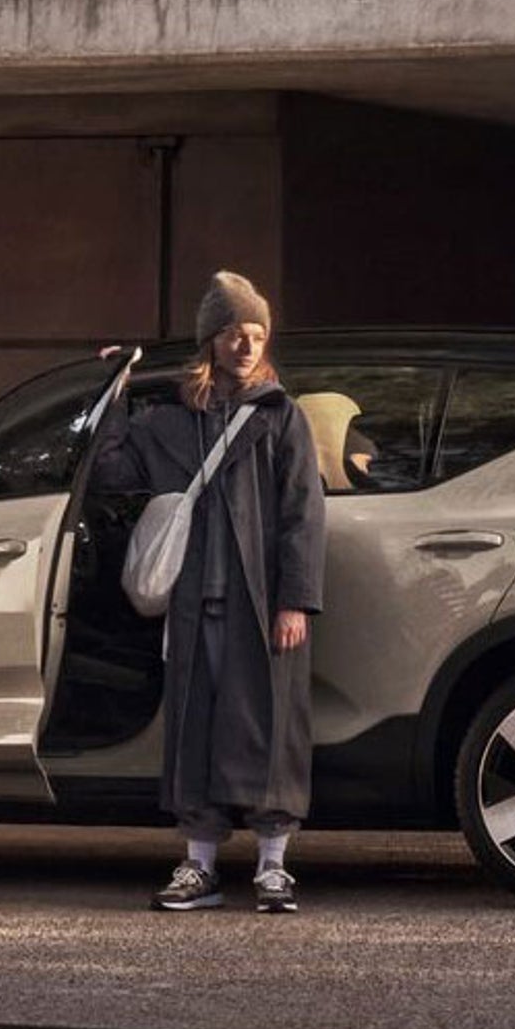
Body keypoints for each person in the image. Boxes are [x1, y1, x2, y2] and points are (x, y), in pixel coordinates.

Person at [91, 271, 325, 911]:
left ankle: (274, 865)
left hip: (265, 606)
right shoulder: (171, 424)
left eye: (255, 334)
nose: (246, 345)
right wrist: (113, 393)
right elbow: (112, 470)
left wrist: (296, 599)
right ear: (211, 342)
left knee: (270, 730)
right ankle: (198, 865)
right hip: (195, 604)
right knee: (195, 729)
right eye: (232, 333)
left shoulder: (281, 417)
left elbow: (303, 514)